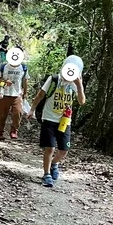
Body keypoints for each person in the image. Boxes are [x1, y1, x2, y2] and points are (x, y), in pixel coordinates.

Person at [27, 55, 86, 187]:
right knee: (50, 148)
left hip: (65, 121)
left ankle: (54, 164)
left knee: (64, 150)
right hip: (49, 118)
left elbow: (82, 102)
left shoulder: (75, 84)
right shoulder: (54, 79)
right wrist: (31, 110)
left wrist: (79, 85)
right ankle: (46, 174)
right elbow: (40, 95)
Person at [0, 50, 27, 140]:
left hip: (17, 94)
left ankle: (14, 130)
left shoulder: (23, 68)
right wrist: (4, 83)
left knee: (18, 113)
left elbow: (25, 80)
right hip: (4, 94)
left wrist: (25, 93)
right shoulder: (4, 67)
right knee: (1, 114)